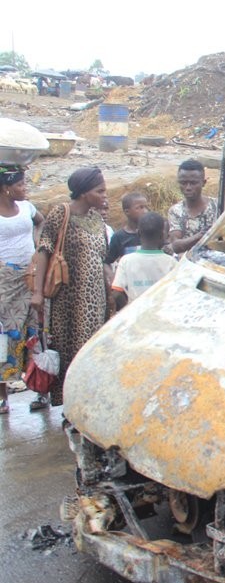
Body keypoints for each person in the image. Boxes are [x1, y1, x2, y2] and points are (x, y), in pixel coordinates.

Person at [30, 167, 112, 410]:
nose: (104, 195)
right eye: (100, 191)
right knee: (69, 350)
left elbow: (103, 259)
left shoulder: (97, 218)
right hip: (68, 300)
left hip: (96, 299)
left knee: (92, 350)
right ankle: (71, 403)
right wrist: (36, 292)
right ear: (84, 192)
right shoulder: (61, 213)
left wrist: (111, 290)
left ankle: (88, 401)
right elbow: (44, 251)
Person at [0, 164, 44, 414]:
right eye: (19, 185)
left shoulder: (27, 208)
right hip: (4, 281)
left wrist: (37, 246)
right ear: (6, 188)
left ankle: (41, 390)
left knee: (36, 330)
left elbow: (41, 223)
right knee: (5, 335)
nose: (24, 188)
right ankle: (3, 396)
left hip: (30, 277)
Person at [111, 212, 176, 310]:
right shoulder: (171, 262)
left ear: (138, 233)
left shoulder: (126, 260)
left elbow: (116, 292)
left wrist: (127, 309)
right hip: (162, 314)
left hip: (135, 317)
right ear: (163, 234)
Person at [167, 159, 218, 255]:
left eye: (193, 183)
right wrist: (201, 236)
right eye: (183, 183)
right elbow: (176, 245)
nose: (188, 188)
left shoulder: (217, 207)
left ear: (203, 183)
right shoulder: (176, 211)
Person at [105, 192, 149, 264]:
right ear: (127, 212)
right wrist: (111, 274)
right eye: (140, 207)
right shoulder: (119, 237)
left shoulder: (152, 232)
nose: (145, 211)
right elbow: (107, 262)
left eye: (146, 207)